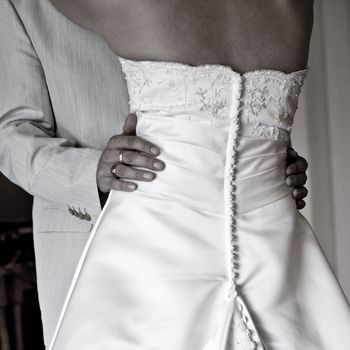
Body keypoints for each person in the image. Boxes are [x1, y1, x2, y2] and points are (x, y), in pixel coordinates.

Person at [0, 0, 313, 348]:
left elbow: (232, 96)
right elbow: (9, 132)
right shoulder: (22, 5)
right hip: (89, 241)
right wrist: (91, 172)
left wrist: (257, 160)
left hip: (247, 233)